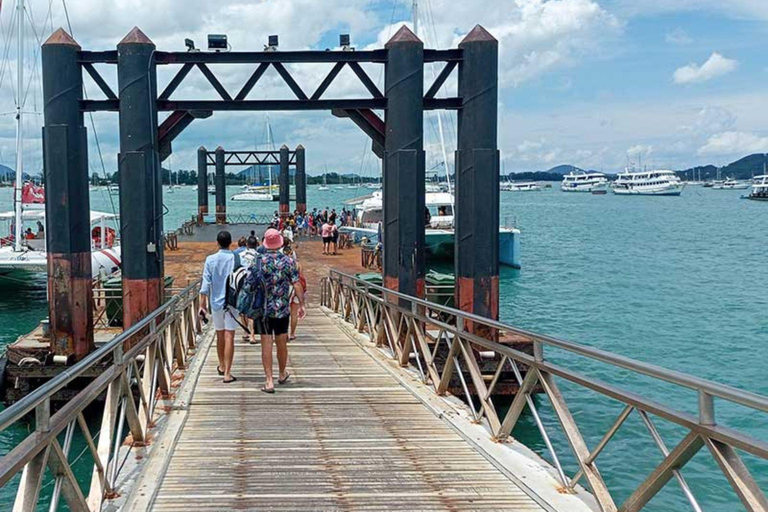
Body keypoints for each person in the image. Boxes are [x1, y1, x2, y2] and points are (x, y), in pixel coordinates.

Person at [256, 228, 305, 393]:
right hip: (282, 308)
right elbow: (297, 283)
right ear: (280, 243)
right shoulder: (289, 261)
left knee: (266, 343)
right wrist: (302, 304)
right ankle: (282, 373)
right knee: (282, 342)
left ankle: (269, 381)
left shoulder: (259, 261)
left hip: (263, 309)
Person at [200, 230, 240, 384]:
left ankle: (222, 365)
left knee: (220, 334)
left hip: (216, 302)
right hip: (232, 302)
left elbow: (205, 284)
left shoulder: (210, 260)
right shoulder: (236, 258)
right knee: (230, 335)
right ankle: (228, 373)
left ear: (217, 242)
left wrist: (202, 305)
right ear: (231, 243)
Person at [289, 263, 306, 341]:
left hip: (284, 289)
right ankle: (292, 334)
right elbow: (301, 278)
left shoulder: (279, 262)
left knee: (283, 313)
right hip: (295, 289)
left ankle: (284, 333)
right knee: (294, 313)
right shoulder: (298, 264)